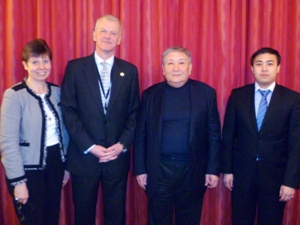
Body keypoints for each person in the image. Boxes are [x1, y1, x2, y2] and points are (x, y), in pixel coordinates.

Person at [60, 14, 140, 225]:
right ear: (94, 35)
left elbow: (134, 113)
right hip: (84, 158)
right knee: (83, 215)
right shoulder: (75, 68)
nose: (107, 36)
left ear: (120, 39)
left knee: (116, 216)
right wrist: (90, 146)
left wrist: (122, 145)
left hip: (116, 158)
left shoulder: (130, 71)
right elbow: (68, 111)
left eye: (113, 32)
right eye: (103, 31)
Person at [134, 46, 221, 225]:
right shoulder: (150, 95)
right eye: (170, 63)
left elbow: (214, 134)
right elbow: (140, 134)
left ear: (190, 68)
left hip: (192, 169)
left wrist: (212, 169)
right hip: (159, 169)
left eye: (181, 63)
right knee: (158, 220)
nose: (176, 68)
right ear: (163, 69)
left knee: (189, 220)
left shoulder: (206, 93)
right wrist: (140, 169)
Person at [222, 47, 300, 225]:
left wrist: (290, 181)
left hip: (276, 178)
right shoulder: (238, 96)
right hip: (242, 176)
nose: (264, 68)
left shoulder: (293, 99)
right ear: (252, 68)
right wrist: (227, 170)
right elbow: (228, 136)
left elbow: (296, 144)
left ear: (278, 68)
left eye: (270, 64)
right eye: (259, 64)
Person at [0, 38, 69, 225]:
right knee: (33, 220)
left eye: (45, 61)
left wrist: (66, 167)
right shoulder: (14, 95)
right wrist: (18, 181)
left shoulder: (57, 92)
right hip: (28, 170)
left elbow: (65, 132)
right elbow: (7, 142)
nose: (41, 66)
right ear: (25, 65)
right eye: (35, 61)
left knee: (51, 218)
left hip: (56, 165)